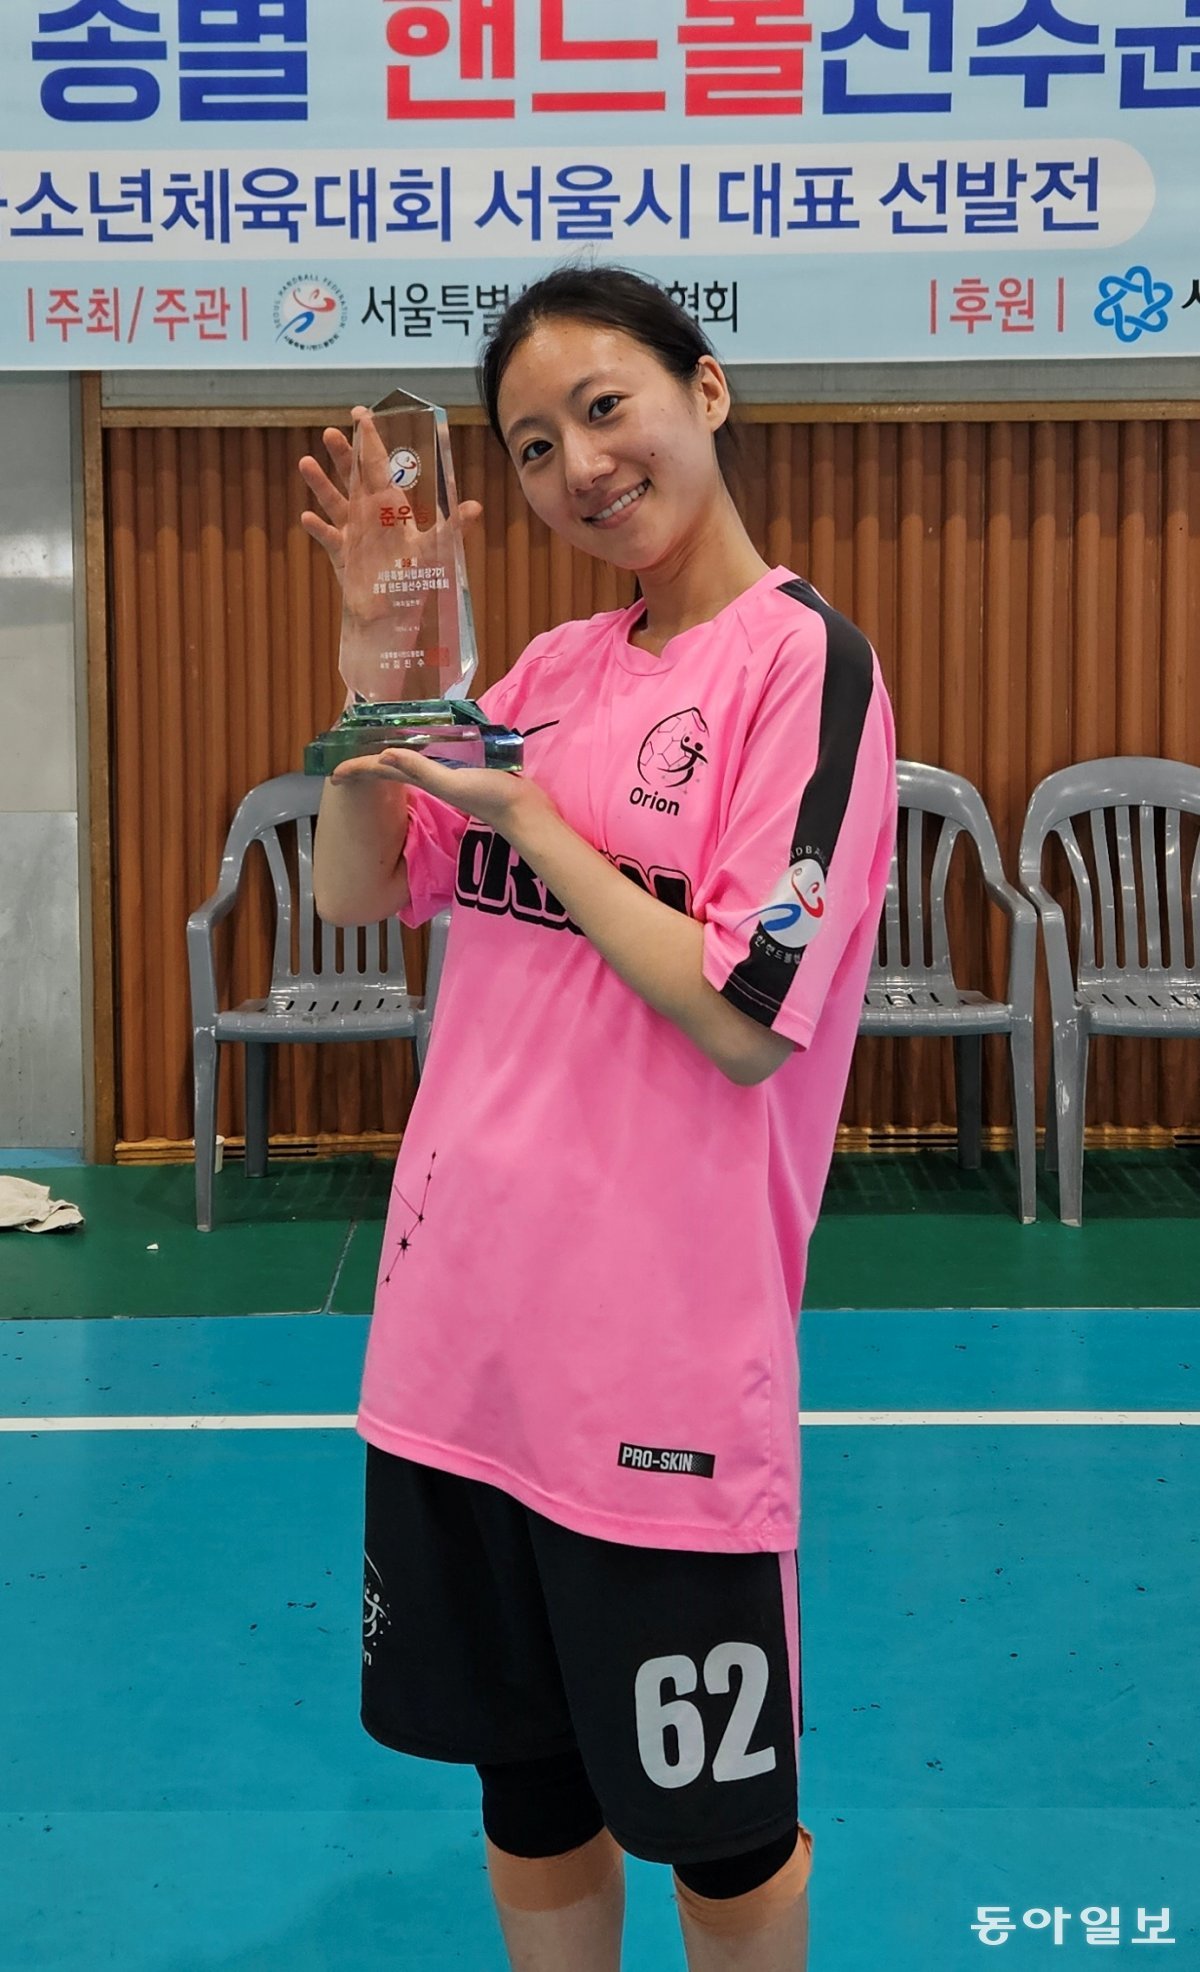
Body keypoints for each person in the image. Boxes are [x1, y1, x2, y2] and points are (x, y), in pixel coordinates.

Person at [300, 262, 897, 1972]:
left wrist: (543, 825)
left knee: (720, 1840)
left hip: (655, 1387)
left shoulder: (807, 672)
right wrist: (377, 676)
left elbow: (743, 1017)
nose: (579, 464)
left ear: (707, 389)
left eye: (605, 407)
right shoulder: (545, 665)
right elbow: (363, 893)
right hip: (455, 1353)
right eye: (536, 442)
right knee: (530, 1793)